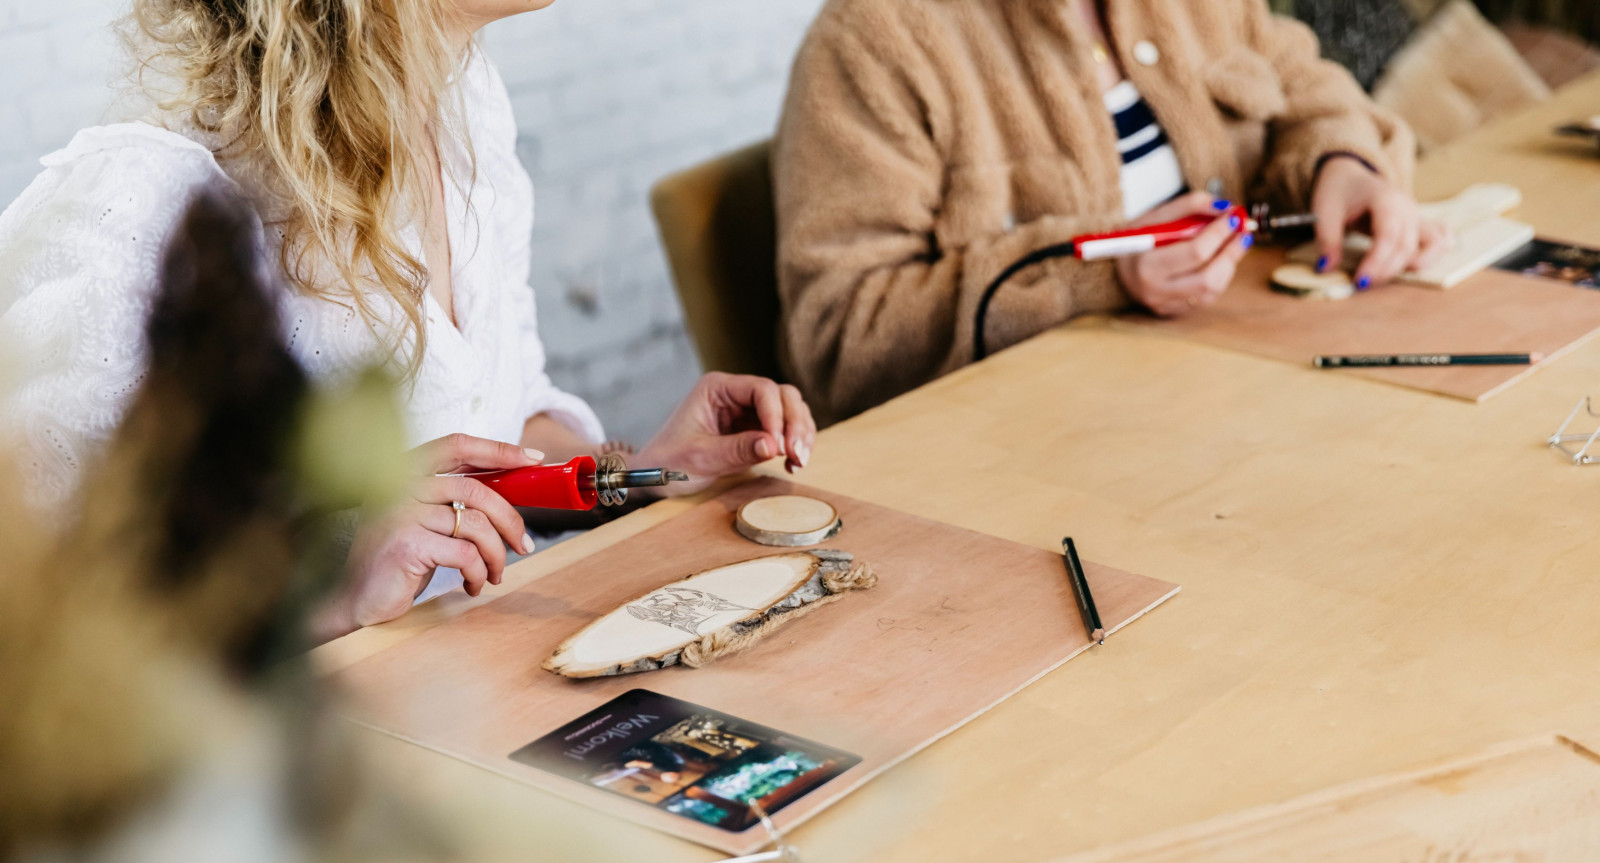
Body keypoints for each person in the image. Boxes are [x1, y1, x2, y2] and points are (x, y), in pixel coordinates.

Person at [0, 0, 816, 641]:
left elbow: (499, 421)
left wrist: (640, 474)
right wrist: (332, 589)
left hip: (467, 695)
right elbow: (63, 653)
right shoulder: (141, 212)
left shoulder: (464, 114)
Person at [772, 0, 1448, 424]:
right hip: (1028, 458)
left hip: (1248, 399)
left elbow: (1303, 81)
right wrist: (1102, 271)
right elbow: (842, 334)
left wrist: (1344, 164)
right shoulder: (869, 40)